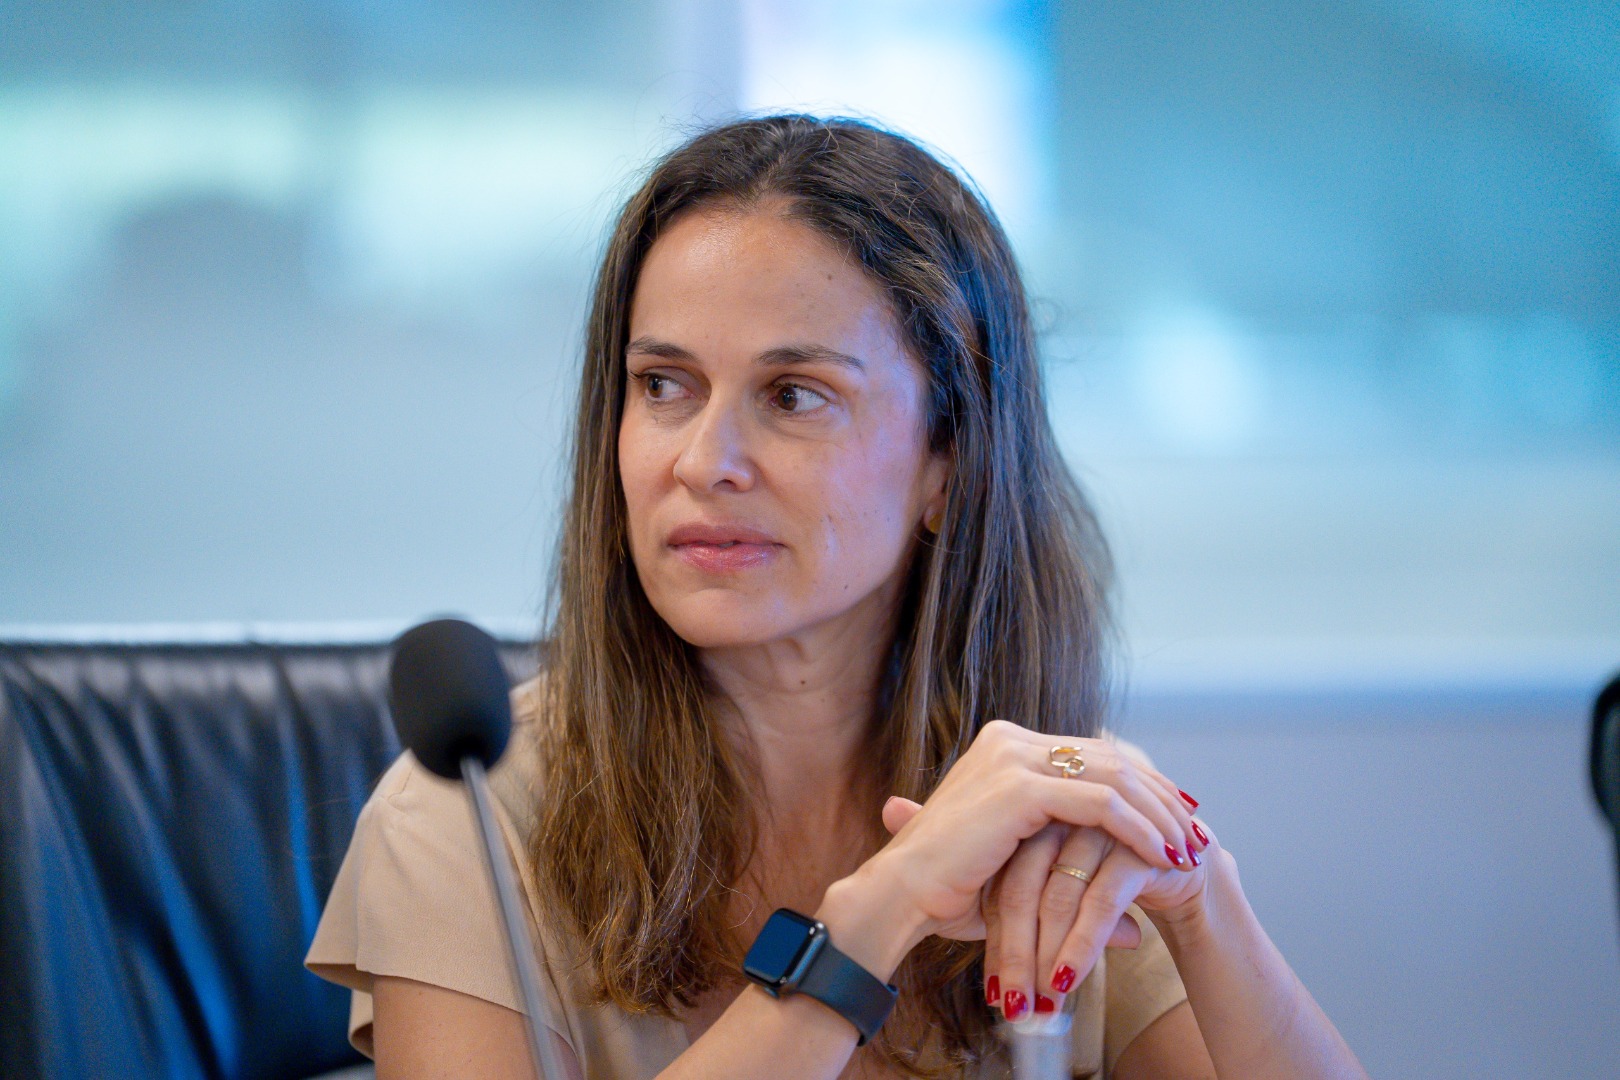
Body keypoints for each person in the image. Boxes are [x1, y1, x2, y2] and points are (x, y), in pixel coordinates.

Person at [307, 114, 1368, 1080]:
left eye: (793, 395)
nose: (703, 461)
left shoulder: (1035, 805)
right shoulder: (466, 817)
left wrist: (1201, 899)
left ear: (948, 463)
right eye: (663, 385)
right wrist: (873, 919)